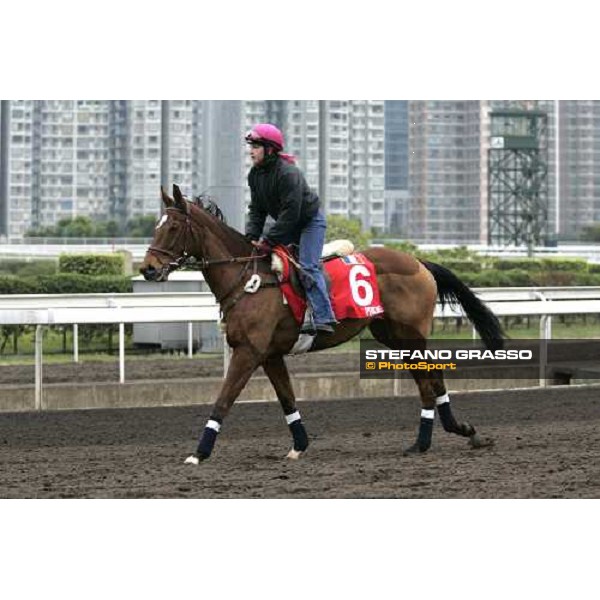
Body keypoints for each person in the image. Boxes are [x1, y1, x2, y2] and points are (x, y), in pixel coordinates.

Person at [245, 123, 337, 334]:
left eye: (256, 146)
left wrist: (268, 241)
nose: (251, 151)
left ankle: (325, 317)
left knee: (307, 266)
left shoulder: (288, 174)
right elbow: (257, 210)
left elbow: (291, 214)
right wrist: (250, 236)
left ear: (270, 149)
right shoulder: (255, 175)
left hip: (309, 223)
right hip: (288, 225)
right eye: (251, 146)